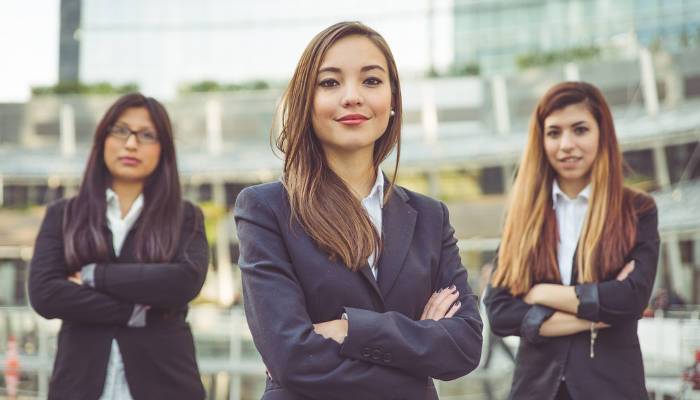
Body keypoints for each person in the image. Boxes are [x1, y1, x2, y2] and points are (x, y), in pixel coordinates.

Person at [234, 21, 482, 400]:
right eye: (330, 83)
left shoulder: (431, 217)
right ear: (307, 101)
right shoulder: (266, 209)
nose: (352, 96)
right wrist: (418, 356)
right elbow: (292, 358)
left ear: (393, 100)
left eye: (371, 81)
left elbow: (464, 345)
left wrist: (352, 329)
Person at [484, 81, 660, 400]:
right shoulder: (522, 215)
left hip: (612, 389)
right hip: (535, 390)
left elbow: (631, 300)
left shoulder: (637, 209)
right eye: (554, 132)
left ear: (601, 134)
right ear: (542, 140)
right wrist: (598, 314)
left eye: (580, 130)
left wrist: (540, 293)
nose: (566, 144)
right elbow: (499, 312)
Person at [28, 93, 208, 400]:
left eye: (147, 135)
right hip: (79, 384)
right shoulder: (63, 214)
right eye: (120, 130)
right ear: (103, 140)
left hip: (167, 384)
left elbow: (183, 282)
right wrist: (134, 311)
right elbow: (46, 294)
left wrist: (94, 276)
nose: (131, 144)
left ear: (163, 149)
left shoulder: (184, 215)